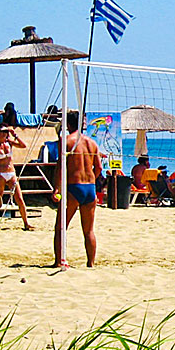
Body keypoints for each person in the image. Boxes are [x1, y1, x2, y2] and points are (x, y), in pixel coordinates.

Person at [53, 111, 101, 268]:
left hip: (74, 187)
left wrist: (57, 188)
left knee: (61, 228)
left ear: (68, 124)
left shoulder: (66, 141)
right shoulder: (92, 143)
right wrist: (92, 180)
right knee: (89, 231)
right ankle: (91, 263)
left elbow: (60, 167)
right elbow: (99, 167)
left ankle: (59, 262)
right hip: (90, 189)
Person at [0, 125, 33, 230]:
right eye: (2, 132)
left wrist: (15, 135)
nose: (4, 134)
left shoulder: (10, 143)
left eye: (6, 132)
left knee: (20, 199)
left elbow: (23, 145)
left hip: (12, 173)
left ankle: (26, 223)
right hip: (0, 174)